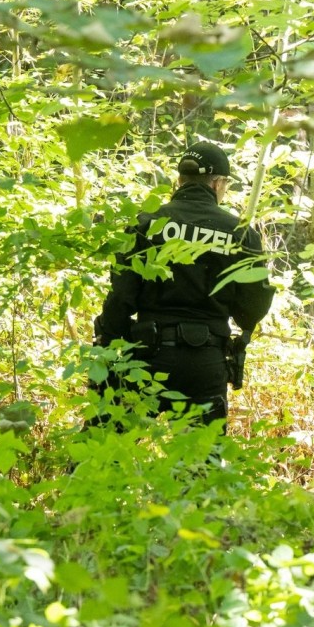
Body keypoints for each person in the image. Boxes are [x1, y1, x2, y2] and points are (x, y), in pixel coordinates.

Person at [94, 141, 273, 426]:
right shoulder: (240, 235)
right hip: (206, 362)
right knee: (200, 463)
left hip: (146, 358)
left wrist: (109, 341)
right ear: (217, 183)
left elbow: (121, 297)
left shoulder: (147, 222)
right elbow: (254, 306)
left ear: (180, 180)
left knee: (109, 454)